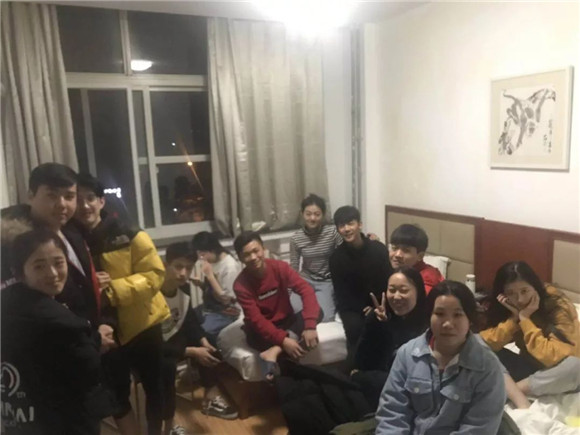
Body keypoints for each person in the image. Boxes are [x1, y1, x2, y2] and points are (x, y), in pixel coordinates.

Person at [75, 173, 170, 435]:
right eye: (78, 199)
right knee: (116, 394)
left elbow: (155, 275)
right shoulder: (70, 239)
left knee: (154, 387)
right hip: (105, 332)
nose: (84, 206)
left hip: (144, 324)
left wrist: (113, 289)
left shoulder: (128, 233)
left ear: (102, 202)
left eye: (90, 198)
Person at [1, 230, 111, 434]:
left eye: (58, 263)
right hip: (64, 422)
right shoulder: (62, 323)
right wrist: (95, 341)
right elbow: (88, 370)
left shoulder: (6, 307)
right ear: (19, 271)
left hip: (19, 417)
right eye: (39, 266)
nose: (52, 273)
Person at [0, 163, 115, 352]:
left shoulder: (72, 230)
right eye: (52, 195)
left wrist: (100, 325)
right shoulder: (15, 245)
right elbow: (27, 309)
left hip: (87, 340)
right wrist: (91, 338)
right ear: (31, 196)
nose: (62, 204)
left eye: (69, 196)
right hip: (55, 348)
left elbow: (83, 287)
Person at [376, 280, 506, 434]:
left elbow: (478, 428)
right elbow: (392, 413)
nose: (447, 324)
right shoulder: (407, 354)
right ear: (429, 316)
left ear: (469, 319)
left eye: (457, 315)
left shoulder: (487, 367)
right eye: (439, 314)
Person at [480, 261, 580, 408]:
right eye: (511, 293)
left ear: (535, 287)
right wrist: (514, 319)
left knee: (576, 366)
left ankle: (512, 392)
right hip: (530, 367)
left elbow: (553, 358)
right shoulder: (509, 306)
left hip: (559, 372)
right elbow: (485, 342)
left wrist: (525, 320)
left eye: (524, 291)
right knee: (478, 346)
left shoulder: (557, 304)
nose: (519, 299)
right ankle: (514, 391)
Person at [160, 242, 237, 426]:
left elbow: (190, 321)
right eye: (178, 266)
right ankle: (168, 422)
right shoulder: (153, 292)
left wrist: (202, 341)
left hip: (173, 340)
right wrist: (191, 351)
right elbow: (153, 342)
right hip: (154, 348)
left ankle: (210, 396)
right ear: (165, 265)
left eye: (188, 268)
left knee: (208, 341)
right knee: (167, 366)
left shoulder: (183, 288)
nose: (183, 273)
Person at [233, 231, 321, 380]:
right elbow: (256, 320)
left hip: (286, 321)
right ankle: (285, 379)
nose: (253, 257)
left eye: (256, 251)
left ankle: (274, 351)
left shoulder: (280, 267)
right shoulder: (240, 285)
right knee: (285, 358)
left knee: (318, 312)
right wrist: (284, 341)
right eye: (247, 255)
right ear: (240, 258)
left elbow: (305, 290)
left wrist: (310, 326)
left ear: (263, 249)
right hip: (260, 332)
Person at [351, 266, 428, 409]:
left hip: (408, 400)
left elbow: (407, 379)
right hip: (373, 392)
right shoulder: (379, 317)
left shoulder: (427, 324)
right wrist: (378, 324)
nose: (396, 297)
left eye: (403, 290)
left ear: (418, 292)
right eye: (392, 290)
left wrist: (361, 377)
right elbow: (359, 363)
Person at [329, 206, 392, 367]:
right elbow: (341, 293)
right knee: (355, 329)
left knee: (384, 324)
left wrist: (375, 305)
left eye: (350, 223)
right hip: (352, 307)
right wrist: (362, 309)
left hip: (379, 301)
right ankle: (355, 370)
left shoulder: (378, 250)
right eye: (342, 225)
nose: (346, 229)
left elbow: (387, 281)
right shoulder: (336, 258)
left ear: (360, 224)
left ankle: (385, 367)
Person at [289, 194, 343, 322]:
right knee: (294, 310)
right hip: (305, 279)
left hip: (326, 280)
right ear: (302, 214)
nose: (312, 218)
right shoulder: (296, 238)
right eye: (308, 214)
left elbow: (346, 252)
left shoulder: (332, 233)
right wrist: (289, 291)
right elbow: (294, 267)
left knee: (326, 317)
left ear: (323, 215)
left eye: (317, 214)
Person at [190, 231, 242, 343]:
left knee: (201, 335)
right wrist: (201, 285)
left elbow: (227, 299)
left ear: (212, 250)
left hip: (228, 313)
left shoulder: (230, 266)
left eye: (203, 255)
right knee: (188, 321)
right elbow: (213, 291)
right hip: (211, 307)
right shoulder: (213, 261)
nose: (202, 258)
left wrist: (210, 276)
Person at [388, 224, 444, 294]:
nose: (397, 255)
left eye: (406, 250)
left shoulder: (427, 280)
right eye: (394, 248)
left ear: (420, 256)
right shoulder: (400, 271)